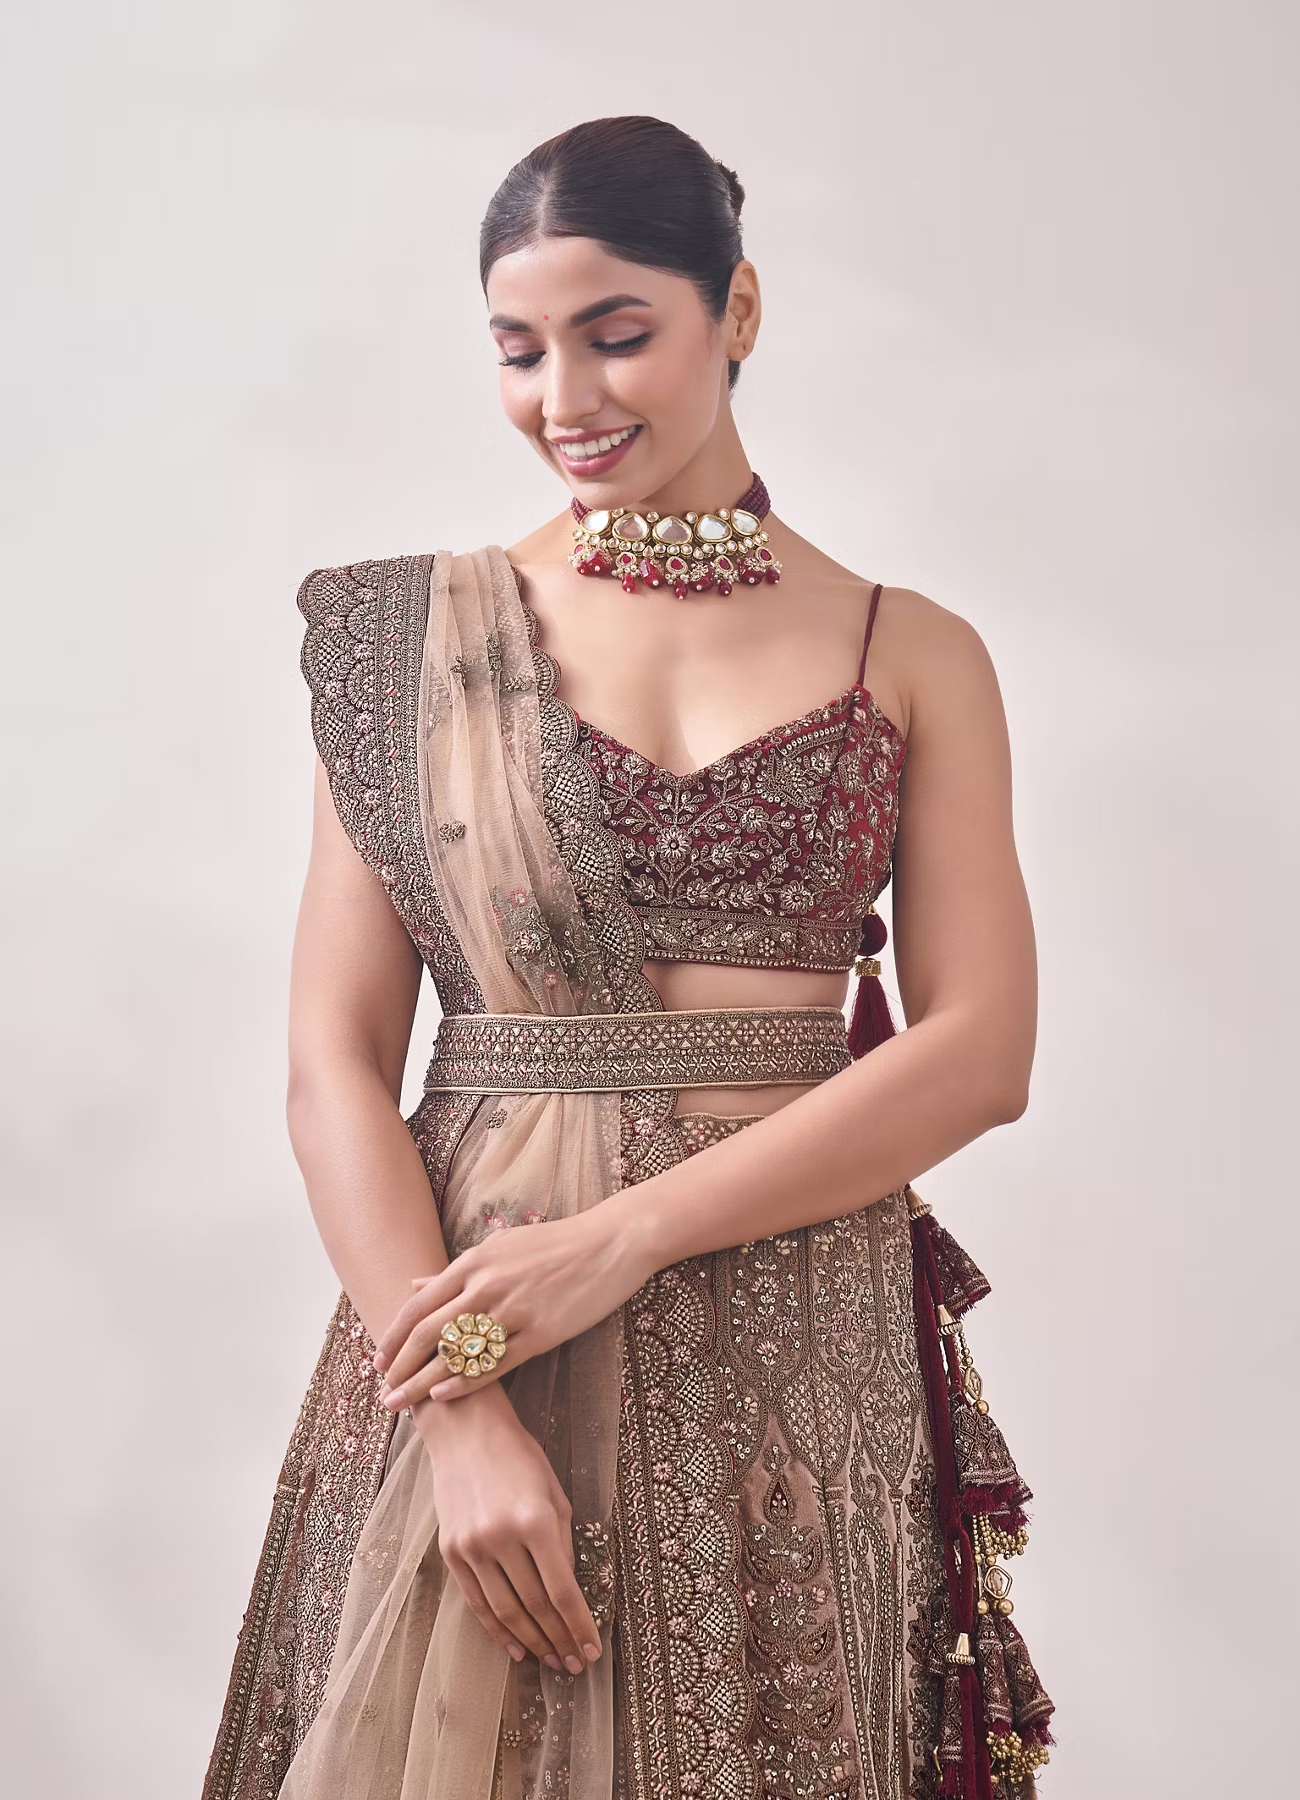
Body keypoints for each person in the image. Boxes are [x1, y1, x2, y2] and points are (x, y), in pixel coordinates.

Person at [203, 115, 1054, 1800]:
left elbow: (981, 1053)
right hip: (472, 1320)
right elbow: (330, 1069)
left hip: (791, 1339)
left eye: (617, 335)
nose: (565, 400)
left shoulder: (912, 650)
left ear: (739, 311)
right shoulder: (408, 643)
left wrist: (620, 1240)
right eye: (520, 351)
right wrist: (454, 1411)